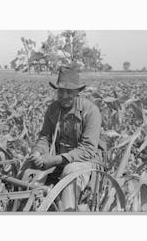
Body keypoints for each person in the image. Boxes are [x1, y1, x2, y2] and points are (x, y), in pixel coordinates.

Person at [31, 65, 102, 211]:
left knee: (70, 171)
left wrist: (56, 159)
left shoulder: (90, 111)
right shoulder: (53, 109)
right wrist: (38, 152)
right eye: (61, 91)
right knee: (28, 167)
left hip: (86, 161)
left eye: (69, 92)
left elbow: (88, 150)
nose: (64, 96)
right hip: (58, 160)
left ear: (77, 92)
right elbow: (45, 137)